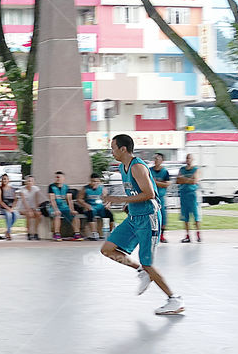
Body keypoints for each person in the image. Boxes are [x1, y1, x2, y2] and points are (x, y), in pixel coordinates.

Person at [100, 134, 183, 315]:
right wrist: (127, 203)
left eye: (113, 148)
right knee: (107, 249)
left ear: (123, 149)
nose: (111, 151)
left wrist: (118, 198)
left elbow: (150, 193)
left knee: (148, 263)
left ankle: (173, 299)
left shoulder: (137, 166)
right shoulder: (123, 167)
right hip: (134, 217)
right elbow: (135, 191)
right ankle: (140, 271)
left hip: (149, 218)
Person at [77, 173, 114, 241]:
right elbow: (79, 199)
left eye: (96, 182)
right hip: (90, 207)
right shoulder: (85, 189)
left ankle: (111, 232)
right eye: (93, 181)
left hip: (100, 207)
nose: (94, 183)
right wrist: (86, 205)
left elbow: (108, 198)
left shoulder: (102, 189)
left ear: (99, 182)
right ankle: (94, 233)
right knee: (90, 214)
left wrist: (108, 204)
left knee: (110, 215)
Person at [48, 171, 82, 241]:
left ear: (63, 178)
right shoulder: (51, 187)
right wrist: (56, 209)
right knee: (57, 216)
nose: (58, 179)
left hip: (64, 207)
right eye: (56, 177)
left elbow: (69, 200)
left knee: (75, 216)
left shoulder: (66, 187)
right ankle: (56, 234)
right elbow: (52, 200)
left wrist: (72, 210)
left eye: (59, 177)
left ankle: (77, 233)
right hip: (54, 207)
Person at [177, 153, 201, 243]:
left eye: (190, 158)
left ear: (193, 159)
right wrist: (188, 180)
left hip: (192, 195)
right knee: (185, 216)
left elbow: (195, 181)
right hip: (183, 194)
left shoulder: (196, 169)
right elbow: (178, 180)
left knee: (196, 215)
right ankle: (187, 235)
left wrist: (184, 179)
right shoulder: (182, 169)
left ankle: (198, 234)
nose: (188, 160)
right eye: (187, 158)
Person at [150, 153, 171, 243]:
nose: (156, 160)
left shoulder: (165, 172)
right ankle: (151, 234)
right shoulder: (149, 170)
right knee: (151, 216)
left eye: (158, 159)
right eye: (155, 159)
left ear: (162, 161)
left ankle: (162, 235)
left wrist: (156, 183)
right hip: (151, 197)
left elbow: (167, 184)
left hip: (161, 197)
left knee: (162, 216)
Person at [16, 175, 44, 240]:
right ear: (25, 182)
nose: (30, 182)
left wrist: (37, 209)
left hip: (33, 207)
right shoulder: (22, 189)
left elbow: (37, 200)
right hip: (23, 208)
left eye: (31, 181)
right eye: (28, 181)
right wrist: (29, 210)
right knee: (29, 215)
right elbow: (24, 201)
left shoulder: (36, 189)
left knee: (38, 214)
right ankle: (29, 233)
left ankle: (35, 233)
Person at [0, 174, 18, 240]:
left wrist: (12, 208)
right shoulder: (0, 189)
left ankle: (7, 231)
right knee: (9, 215)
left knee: (16, 214)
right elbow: (0, 201)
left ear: (9, 180)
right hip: (3, 208)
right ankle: (8, 233)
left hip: (11, 208)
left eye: (6, 179)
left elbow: (15, 200)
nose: (4, 180)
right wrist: (8, 208)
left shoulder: (12, 189)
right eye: (3, 179)